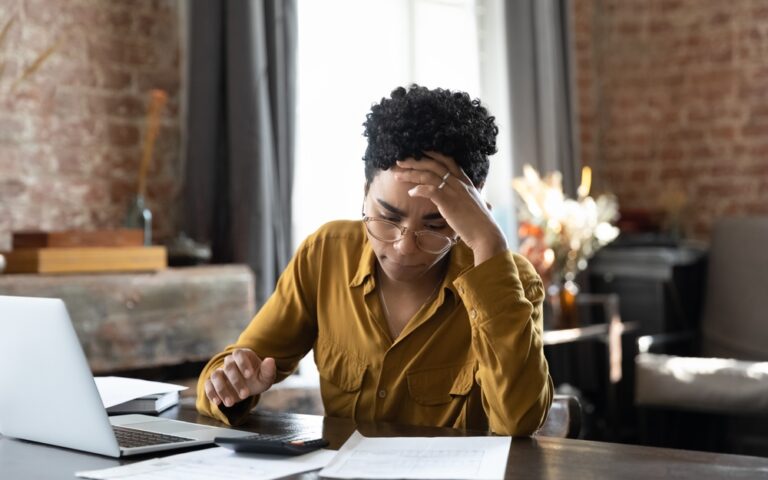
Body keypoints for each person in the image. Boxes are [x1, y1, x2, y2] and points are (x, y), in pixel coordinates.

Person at [196, 84, 553, 436]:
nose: (404, 247)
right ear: (365, 195)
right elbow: (226, 372)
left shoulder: (510, 280)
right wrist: (230, 385)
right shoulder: (326, 254)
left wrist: (489, 243)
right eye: (388, 217)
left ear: (470, 218)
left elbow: (518, 421)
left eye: (435, 225)